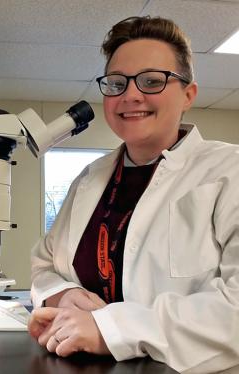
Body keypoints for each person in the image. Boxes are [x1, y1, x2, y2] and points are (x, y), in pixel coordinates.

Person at [28, 15, 239, 373]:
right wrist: (64, 296)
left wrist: (110, 328)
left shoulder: (228, 172)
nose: (131, 95)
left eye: (152, 81)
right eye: (116, 83)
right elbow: (45, 266)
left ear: (189, 94)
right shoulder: (88, 181)